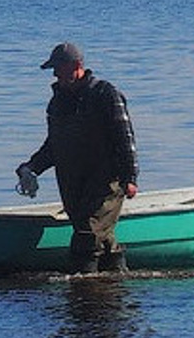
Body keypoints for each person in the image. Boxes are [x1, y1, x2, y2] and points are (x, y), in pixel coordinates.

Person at [15, 41, 138, 275]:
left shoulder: (105, 94)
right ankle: (116, 284)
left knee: (87, 235)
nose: (54, 74)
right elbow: (53, 146)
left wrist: (130, 177)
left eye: (58, 68)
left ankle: (81, 293)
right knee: (102, 238)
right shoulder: (57, 103)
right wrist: (30, 167)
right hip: (72, 185)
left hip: (105, 182)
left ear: (77, 65)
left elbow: (125, 138)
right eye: (53, 68)